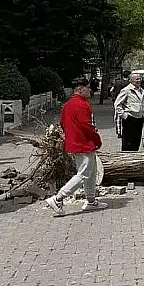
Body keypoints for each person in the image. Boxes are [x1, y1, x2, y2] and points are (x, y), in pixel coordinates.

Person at [46, 79, 107, 215]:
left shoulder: (68, 104)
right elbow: (87, 125)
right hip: (83, 143)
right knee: (84, 174)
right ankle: (58, 199)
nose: (90, 90)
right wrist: (96, 139)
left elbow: (61, 123)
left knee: (91, 173)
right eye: (87, 88)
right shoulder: (81, 104)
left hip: (76, 143)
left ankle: (91, 201)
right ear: (80, 89)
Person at [114, 73, 144, 151]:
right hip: (130, 119)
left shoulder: (141, 90)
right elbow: (117, 104)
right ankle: (126, 159)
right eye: (136, 79)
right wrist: (124, 115)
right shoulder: (126, 90)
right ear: (131, 80)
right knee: (128, 142)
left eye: (139, 78)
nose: (139, 80)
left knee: (136, 141)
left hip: (139, 118)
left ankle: (134, 159)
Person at [111, 71, 132, 138]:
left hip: (118, 101)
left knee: (118, 118)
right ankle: (128, 131)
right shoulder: (130, 83)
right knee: (128, 117)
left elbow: (111, 90)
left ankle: (119, 133)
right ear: (128, 76)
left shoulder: (117, 82)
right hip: (128, 102)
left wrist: (113, 97)